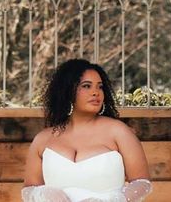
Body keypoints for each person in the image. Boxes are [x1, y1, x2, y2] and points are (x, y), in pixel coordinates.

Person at [22, 59, 153, 202]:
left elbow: (142, 183)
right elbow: (29, 189)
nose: (96, 92)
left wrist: (113, 200)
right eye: (86, 86)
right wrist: (43, 194)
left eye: (100, 87)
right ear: (67, 91)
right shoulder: (42, 139)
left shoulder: (119, 132)